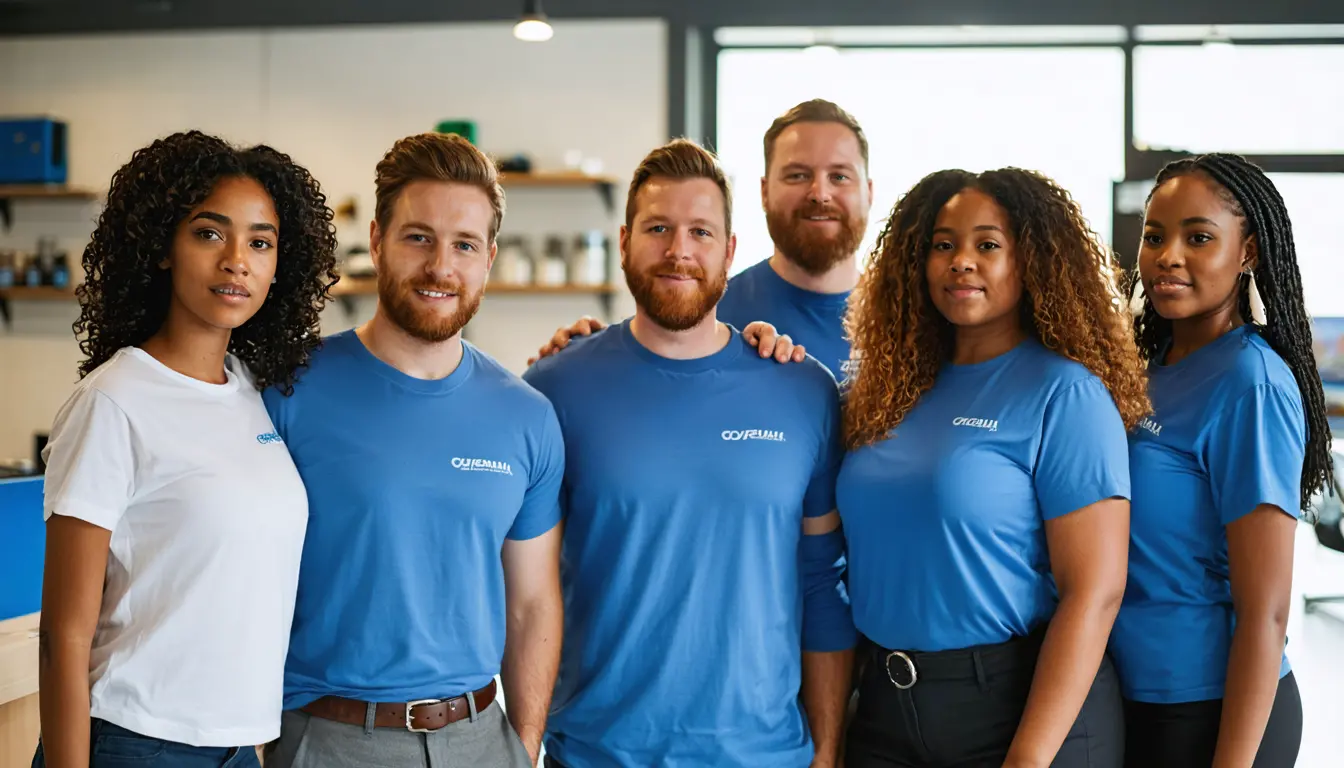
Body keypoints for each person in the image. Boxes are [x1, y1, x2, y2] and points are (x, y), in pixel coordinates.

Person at [521, 138, 856, 768]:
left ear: (729, 252)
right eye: (657, 228)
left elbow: (821, 584)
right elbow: (525, 593)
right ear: (623, 242)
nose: (679, 250)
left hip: (766, 755)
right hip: (599, 754)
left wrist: (829, 747)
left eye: (701, 232)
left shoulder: (803, 390)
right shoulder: (553, 390)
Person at [33, 130, 339, 768]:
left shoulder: (255, 393)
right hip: (135, 742)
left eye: (260, 242)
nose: (237, 261)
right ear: (163, 247)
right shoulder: (115, 401)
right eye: (209, 233)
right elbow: (63, 636)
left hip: (235, 747)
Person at [260, 132, 564, 768]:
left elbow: (533, 600)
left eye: (464, 245)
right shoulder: (290, 390)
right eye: (418, 237)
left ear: (489, 259)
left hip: (479, 738)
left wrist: (524, 746)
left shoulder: (527, 416)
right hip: (327, 737)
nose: (441, 267)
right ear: (377, 241)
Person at [831, 168, 1148, 767]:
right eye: (943, 245)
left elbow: (1095, 593)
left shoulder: (1066, 394)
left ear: (1032, 262)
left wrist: (1027, 759)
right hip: (884, 707)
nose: (961, 262)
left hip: (1018, 709)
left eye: (988, 245)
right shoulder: (885, 391)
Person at [1111, 153, 1325, 767]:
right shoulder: (1150, 370)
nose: (1168, 256)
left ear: (1249, 253)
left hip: (1211, 711)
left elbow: (1268, 611)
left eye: (1198, 237)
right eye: (1155, 237)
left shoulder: (1249, 382)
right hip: (1133, 695)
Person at [529, 98, 872, 378]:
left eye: (840, 176)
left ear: (869, 192)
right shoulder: (701, 302)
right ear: (765, 191)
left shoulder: (912, 317)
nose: (819, 193)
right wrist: (585, 352)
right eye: (797, 175)